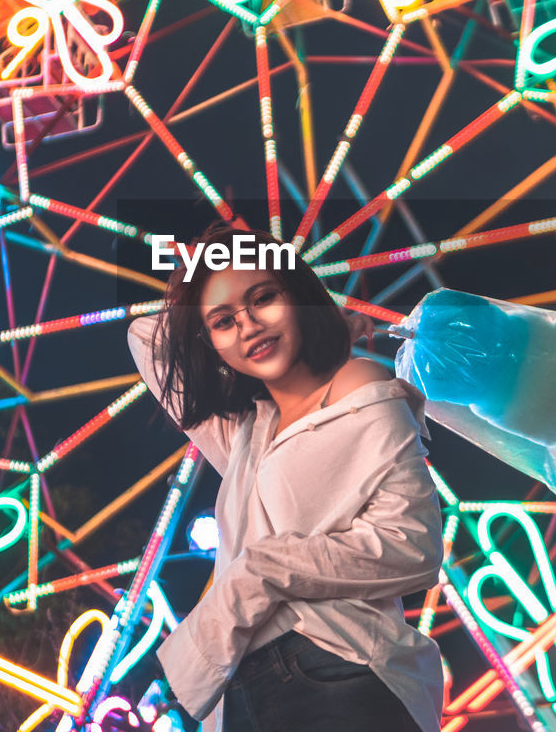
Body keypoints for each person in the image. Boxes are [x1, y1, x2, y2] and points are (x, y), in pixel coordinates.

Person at [123, 220, 445, 732]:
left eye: (264, 298)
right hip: (240, 692)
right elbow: (146, 339)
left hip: (336, 667)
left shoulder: (359, 386)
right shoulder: (243, 436)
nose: (248, 325)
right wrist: (208, 268)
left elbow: (413, 545)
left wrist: (266, 570)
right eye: (223, 321)